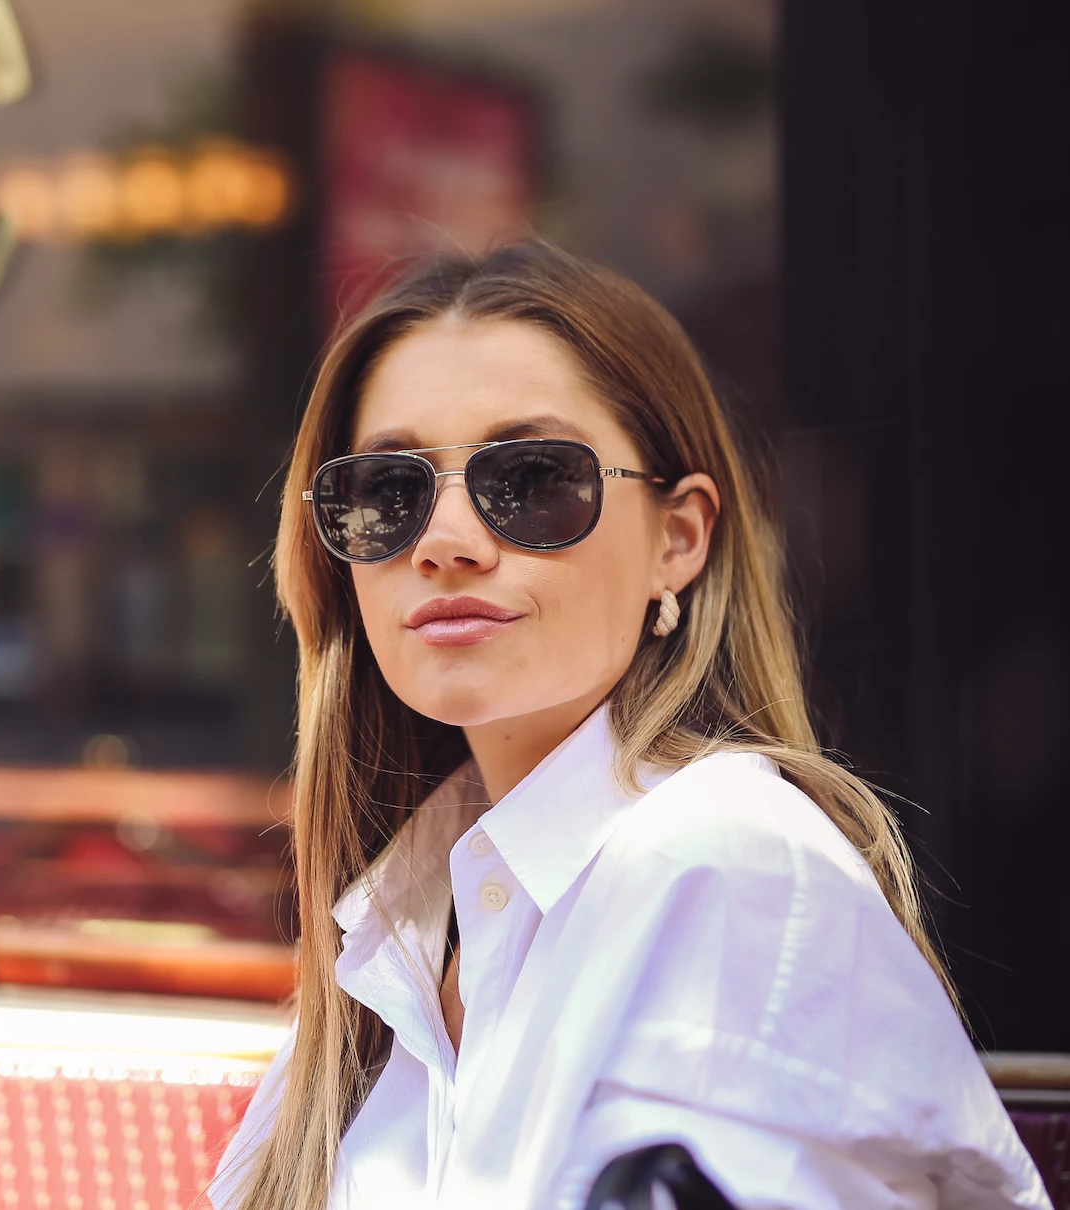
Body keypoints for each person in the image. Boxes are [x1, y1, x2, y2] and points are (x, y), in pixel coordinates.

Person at [212, 242, 1048, 1210]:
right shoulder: (397, 924)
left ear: (677, 538)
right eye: (388, 493)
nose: (444, 543)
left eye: (532, 478)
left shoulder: (726, 868)